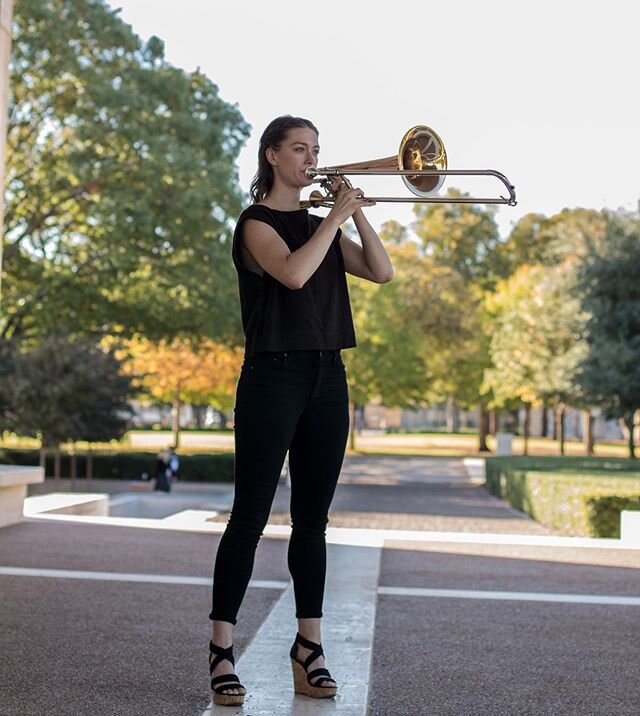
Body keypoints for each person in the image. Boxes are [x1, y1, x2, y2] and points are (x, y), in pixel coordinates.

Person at [208, 115, 393, 706]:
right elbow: (291, 273)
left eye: (317, 149)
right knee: (250, 516)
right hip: (272, 376)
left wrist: (354, 210)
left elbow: (381, 271)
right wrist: (334, 219)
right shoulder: (255, 225)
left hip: (326, 377)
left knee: (313, 522)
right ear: (271, 157)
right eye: (299, 149)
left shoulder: (324, 224)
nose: (310, 158)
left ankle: (308, 647)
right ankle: (221, 650)